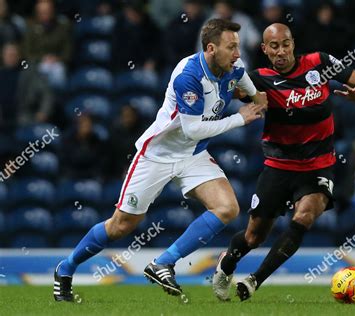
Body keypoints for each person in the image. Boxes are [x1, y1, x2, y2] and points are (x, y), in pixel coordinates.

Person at [53, 18, 268, 302]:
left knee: (227, 208)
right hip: (158, 154)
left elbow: (253, 91)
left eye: (238, 47)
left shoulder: (234, 68)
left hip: (193, 154)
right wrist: (239, 118)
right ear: (211, 48)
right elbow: (193, 128)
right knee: (121, 225)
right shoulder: (188, 75)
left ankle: (163, 263)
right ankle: (65, 269)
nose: (238, 54)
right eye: (231, 47)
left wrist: (259, 96)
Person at [212, 23, 355, 301]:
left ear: (293, 44)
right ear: (264, 50)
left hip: (318, 165)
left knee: (305, 217)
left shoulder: (319, 63)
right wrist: (240, 96)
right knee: (253, 237)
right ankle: (226, 265)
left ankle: (254, 281)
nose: (281, 51)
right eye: (273, 46)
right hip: (279, 166)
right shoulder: (258, 79)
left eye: (285, 44)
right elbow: (228, 90)